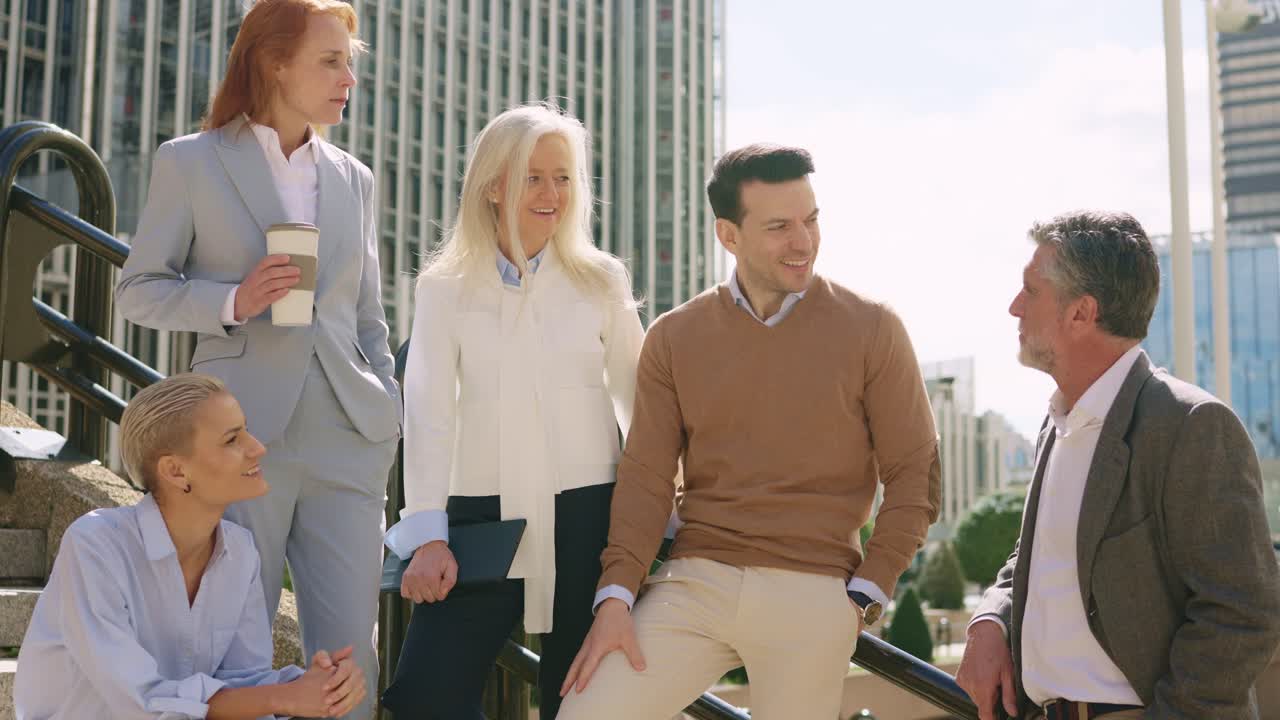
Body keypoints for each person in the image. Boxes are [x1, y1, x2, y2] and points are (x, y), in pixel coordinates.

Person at [555, 144, 941, 720]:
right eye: (780, 226)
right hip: (695, 581)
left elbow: (916, 473)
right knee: (587, 714)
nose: (804, 241)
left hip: (814, 590)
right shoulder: (674, 337)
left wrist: (869, 589)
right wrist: (616, 596)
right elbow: (645, 479)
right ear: (729, 235)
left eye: (811, 220)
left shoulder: (872, 328)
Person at [114, 2, 399, 717]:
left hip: (347, 438)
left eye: (350, 63)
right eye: (330, 61)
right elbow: (139, 292)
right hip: (240, 444)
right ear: (275, 62)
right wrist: (234, 300)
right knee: (234, 650)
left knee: (350, 662)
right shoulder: (191, 161)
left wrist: (384, 409)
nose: (348, 80)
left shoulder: (354, 179)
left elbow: (368, 316)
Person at [955, 210, 1280, 720]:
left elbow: (1243, 612)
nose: (1014, 307)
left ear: (1081, 313)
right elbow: (1041, 559)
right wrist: (991, 620)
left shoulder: (1191, 425)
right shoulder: (1056, 425)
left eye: (1030, 291)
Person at [379, 104, 645, 719]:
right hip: (478, 517)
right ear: (495, 184)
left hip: (588, 516)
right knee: (426, 693)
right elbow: (427, 411)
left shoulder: (601, 280)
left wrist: (664, 510)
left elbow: (642, 404)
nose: (552, 193)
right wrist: (426, 534)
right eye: (533, 176)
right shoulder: (444, 287)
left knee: (578, 705)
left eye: (564, 177)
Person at [14, 373, 366, 719]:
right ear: (176, 471)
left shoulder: (240, 552)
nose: (257, 447)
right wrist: (282, 697)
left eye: (246, 431)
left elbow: (244, 685)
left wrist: (318, 686)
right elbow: (142, 703)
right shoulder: (96, 545)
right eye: (232, 439)